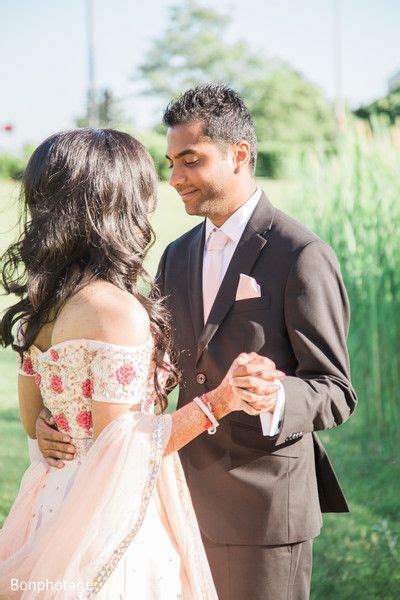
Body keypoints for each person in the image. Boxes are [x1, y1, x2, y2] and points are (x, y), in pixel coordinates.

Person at [36, 85, 357, 599]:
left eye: (190, 160)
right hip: (173, 496)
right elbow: (145, 368)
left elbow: (335, 389)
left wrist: (275, 397)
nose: (175, 178)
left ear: (239, 155)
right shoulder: (177, 254)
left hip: (263, 509)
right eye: (170, 162)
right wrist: (60, 415)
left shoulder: (301, 254)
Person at [0, 128, 282, 599]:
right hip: (106, 515)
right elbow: (124, 453)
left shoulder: (44, 300)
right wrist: (222, 399)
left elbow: (35, 421)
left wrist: (59, 422)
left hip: (53, 500)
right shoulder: (113, 311)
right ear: (116, 201)